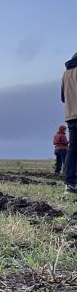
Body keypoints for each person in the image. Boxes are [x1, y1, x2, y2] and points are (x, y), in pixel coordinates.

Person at [62, 52, 77, 193]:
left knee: (73, 149)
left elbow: (63, 97)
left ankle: (70, 184)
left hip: (71, 115)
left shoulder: (65, 74)